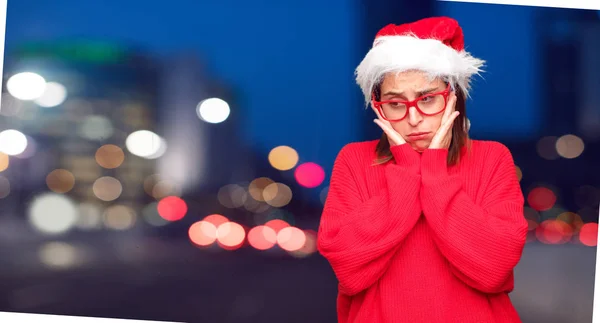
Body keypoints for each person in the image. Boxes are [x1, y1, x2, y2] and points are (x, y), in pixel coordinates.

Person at [317, 17, 528, 323]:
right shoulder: (354, 160)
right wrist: (405, 168)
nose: (413, 118)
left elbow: (493, 270)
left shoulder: (491, 158)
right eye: (395, 103)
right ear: (378, 107)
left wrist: (434, 171)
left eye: (428, 99)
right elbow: (349, 269)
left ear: (454, 96)